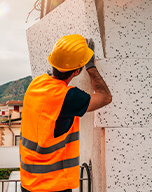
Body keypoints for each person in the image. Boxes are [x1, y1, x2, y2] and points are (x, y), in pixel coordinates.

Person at [19, 34, 112, 192]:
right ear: (77, 71)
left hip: (28, 182)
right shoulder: (68, 97)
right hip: (53, 186)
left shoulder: (36, 83)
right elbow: (105, 97)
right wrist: (91, 67)